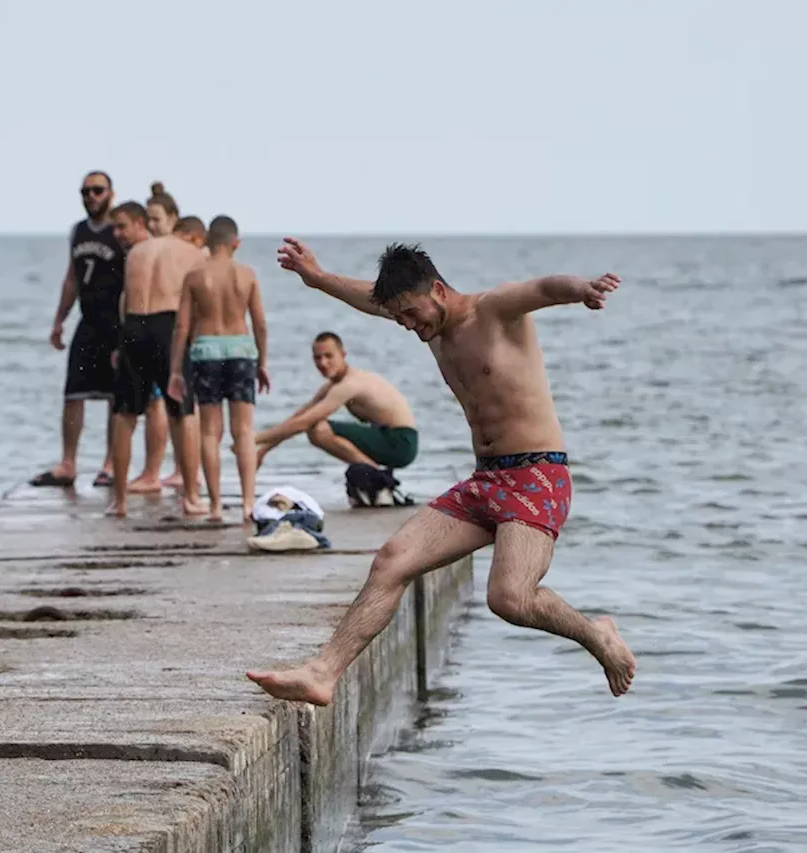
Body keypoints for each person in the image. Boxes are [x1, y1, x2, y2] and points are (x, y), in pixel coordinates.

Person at [248, 239, 636, 704]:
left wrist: (583, 289)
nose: (410, 327)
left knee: (509, 598)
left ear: (437, 289)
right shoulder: (427, 323)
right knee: (392, 560)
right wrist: (317, 277)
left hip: (537, 475)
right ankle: (322, 673)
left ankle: (599, 637)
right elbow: (370, 299)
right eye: (401, 319)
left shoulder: (493, 311)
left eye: (412, 313)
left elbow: (543, 287)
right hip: (485, 479)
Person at [167, 215, 270, 521]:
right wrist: (262, 361)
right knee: (244, 431)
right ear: (235, 243)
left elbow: (182, 326)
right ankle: (248, 504)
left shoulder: (195, 275)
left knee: (210, 432)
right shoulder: (247, 274)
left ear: (209, 242)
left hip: (206, 350)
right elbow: (260, 323)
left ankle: (214, 505)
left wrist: (175, 370)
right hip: (241, 348)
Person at [106, 202, 205, 517]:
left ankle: (119, 501)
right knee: (182, 413)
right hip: (167, 326)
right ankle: (191, 496)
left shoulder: (137, 250)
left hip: (133, 325)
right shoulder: (191, 252)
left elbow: (124, 298)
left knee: (125, 415)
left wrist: (121, 343)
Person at [32, 170, 123, 488]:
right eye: (85, 192)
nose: (91, 197)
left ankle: (111, 464)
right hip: (88, 320)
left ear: (111, 193)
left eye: (97, 191)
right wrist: (59, 319)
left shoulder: (120, 229)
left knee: (116, 396)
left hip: (117, 322)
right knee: (73, 393)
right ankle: (68, 462)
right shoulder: (79, 231)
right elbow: (72, 278)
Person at [254, 332, 418, 474]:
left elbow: (304, 423)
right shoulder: (334, 386)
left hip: (400, 441)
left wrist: (251, 440)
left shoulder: (349, 384)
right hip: (393, 439)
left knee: (318, 429)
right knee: (313, 425)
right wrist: (263, 450)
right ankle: (375, 475)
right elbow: (299, 416)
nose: (323, 363)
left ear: (343, 354)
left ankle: (378, 477)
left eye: (329, 356)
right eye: (317, 358)